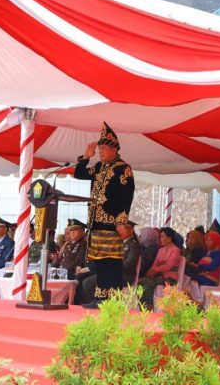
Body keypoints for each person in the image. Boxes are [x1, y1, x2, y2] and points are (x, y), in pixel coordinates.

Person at [74, 122, 135, 309]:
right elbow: (79, 174)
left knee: (112, 262)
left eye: (103, 148)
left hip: (111, 223)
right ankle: (101, 297)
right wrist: (86, 157)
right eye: (99, 149)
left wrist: (121, 221)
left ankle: (113, 300)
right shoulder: (99, 166)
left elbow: (127, 196)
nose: (100, 152)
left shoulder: (123, 168)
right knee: (100, 262)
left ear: (114, 149)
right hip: (96, 223)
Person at [76, 220, 141, 305]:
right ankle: (89, 303)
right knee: (84, 277)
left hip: (124, 276)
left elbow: (129, 264)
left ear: (131, 230)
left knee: (88, 282)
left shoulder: (133, 245)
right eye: (118, 230)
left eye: (122, 230)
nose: (119, 232)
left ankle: (95, 304)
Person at [138, 227, 181, 310]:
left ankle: (149, 307)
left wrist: (155, 269)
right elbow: (155, 264)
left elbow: (168, 266)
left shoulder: (176, 250)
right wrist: (149, 273)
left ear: (169, 238)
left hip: (170, 278)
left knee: (148, 283)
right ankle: (142, 306)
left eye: (162, 236)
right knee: (142, 281)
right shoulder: (161, 250)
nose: (160, 239)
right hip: (159, 276)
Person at [185, 231, 220, 303]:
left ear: (216, 241)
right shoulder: (209, 252)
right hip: (203, 276)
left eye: (210, 240)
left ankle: (197, 301)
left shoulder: (219, 253)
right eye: (206, 240)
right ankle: (193, 300)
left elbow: (212, 266)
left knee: (188, 278)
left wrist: (200, 266)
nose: (207, 242)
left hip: (210, 279)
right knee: (186, 275)